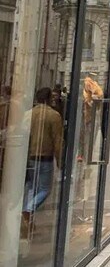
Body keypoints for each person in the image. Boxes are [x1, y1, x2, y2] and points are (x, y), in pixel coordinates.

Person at [21, 87, 63, 238]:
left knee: (32, 187)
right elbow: (57, 140)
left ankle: (28, 218)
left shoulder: (28, 114)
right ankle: (28, 210)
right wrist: (60, 160)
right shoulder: (54, 116)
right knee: (44, 189)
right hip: (45, 156)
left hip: (30, 156)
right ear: (49, 99)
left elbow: (24, 135)